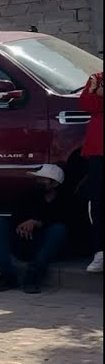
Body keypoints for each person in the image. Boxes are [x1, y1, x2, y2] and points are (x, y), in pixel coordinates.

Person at [0, 165, 72, 294]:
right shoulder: (27, 194)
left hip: (43, 246)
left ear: (54, 184)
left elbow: (67, 221)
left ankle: (33, 275)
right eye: (38, 179)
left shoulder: (65, 200)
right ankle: (6, 275)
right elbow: (16, 216)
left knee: (59, 229)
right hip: (22, 239)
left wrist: (38, 222)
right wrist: (23, 224)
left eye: (42, 180)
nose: (38, 182)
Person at [80, 71, 103, 273]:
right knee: (98, 203)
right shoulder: (97, 78)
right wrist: (97, 93)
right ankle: (100, 252)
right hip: (98, 150)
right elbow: (87, 105)